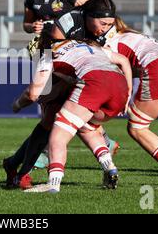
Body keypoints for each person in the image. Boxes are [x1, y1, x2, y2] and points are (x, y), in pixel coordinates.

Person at [58, 0, 158, 189]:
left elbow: (108, 77)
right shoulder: (128, 33)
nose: (103, 28)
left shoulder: (107, 43)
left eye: (106, 24)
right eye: (102, 23)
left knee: (137, 127)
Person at [3, 0, 118, 189]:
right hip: (47, 55)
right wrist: (31, 27)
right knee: (50, 117)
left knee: (60, 115)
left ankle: (19, 167)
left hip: (75, 59)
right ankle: (20, 168)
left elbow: (94, 13)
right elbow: (26, 24)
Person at [13, 23, 133, 193]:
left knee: (58, 133)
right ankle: (109, 167)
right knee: (87, 127)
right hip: (119, 85)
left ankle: (53, 184)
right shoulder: (82, 44)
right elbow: (122, 59)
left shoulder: (48, 55)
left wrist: (17, 105)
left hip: (94, 83)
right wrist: (128, 93)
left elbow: (33, 94)